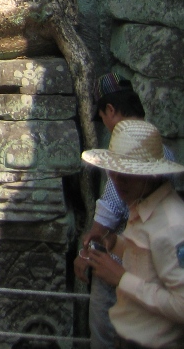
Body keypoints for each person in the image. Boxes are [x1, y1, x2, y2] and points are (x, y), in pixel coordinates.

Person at [74, 74, 176, 349]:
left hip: (123, 284)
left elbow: (103, 221)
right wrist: (114, 243)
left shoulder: (169, 223)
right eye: (115, 176)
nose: (118, 182)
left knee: (105, 336)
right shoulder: (163, 156)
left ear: (110, 110)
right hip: (142, 289)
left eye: (104, 117)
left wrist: (93, 259)